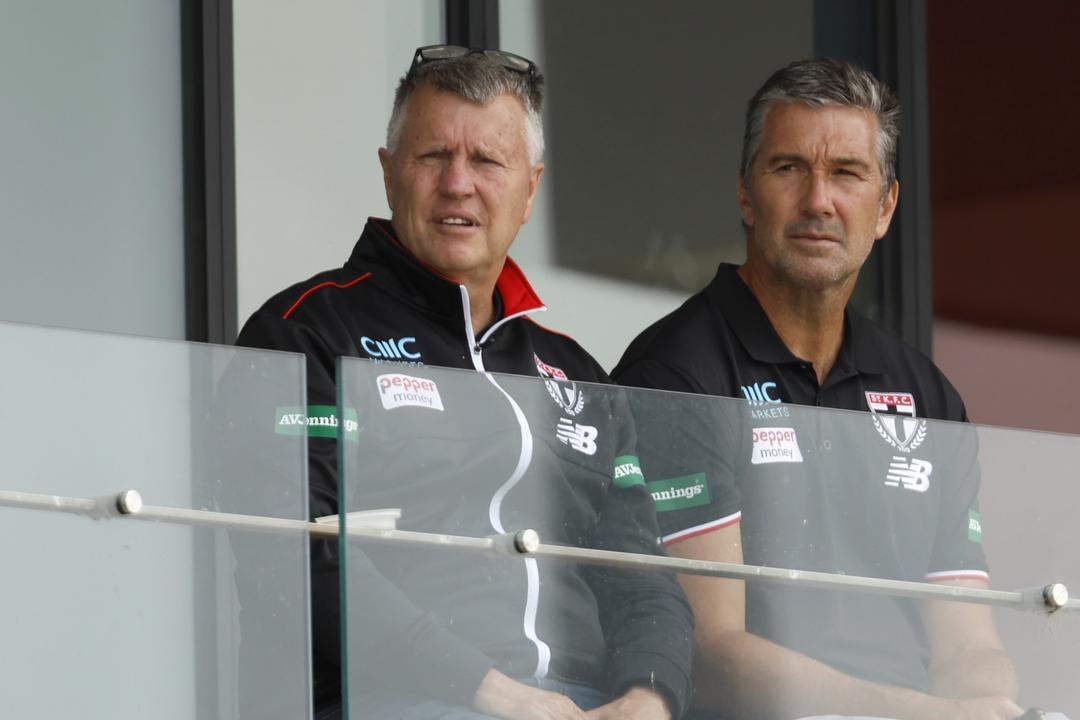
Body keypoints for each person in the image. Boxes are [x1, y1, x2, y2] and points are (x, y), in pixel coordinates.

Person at [235, 46, 691, 720]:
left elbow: (640, 576)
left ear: (530, 189)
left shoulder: (575, 372)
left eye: (486, 161)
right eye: (432, 157)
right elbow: (293, 559)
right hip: (398, 703)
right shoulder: (303, 333)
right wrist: (499, 696)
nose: (457, 184)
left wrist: (648, 700)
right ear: (390, 175)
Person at [612, 58, 1022, 720]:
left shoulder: (927, 393)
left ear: (885, 207)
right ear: (745, 193)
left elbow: (968, 645)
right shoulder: (677, 371)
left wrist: (991, 705)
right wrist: (919, 714)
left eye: (847, 174)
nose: (818, 202)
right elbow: (709, 654)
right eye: (789, 168)